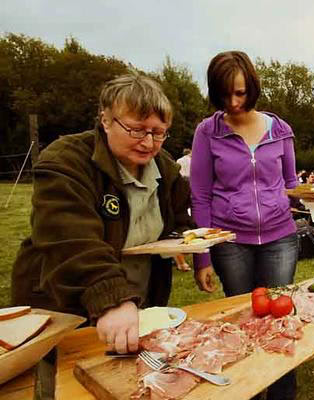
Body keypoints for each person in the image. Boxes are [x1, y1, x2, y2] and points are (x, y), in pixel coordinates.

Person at [11, 73, 192, 354]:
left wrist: (187, 235)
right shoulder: (66, 161)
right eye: (136, 129)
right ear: (105, 120)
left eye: (158, 132)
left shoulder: (166, 170)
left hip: (132, 308)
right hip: (66, 309)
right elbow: (71, 239)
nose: (148, 142)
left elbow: (179, 220)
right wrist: (111, 298)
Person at [190, 50, 298, 399]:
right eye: (224, 95)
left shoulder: (279, 130)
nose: (233, 103)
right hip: (230, 240)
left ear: (252, 87)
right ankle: (246, 389)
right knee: (242, 319)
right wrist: (202, 257)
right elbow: (201, 197)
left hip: (280, 237)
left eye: (239, 93)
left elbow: (292, 183)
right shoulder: (208, 132)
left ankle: (282, 392)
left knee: (279, 317)